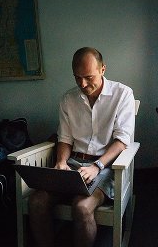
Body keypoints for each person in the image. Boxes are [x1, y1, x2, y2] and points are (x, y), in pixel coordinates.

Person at [27, 47, 136, 247]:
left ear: (103, 69)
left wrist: (97, 167)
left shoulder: (123, 94)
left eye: (88, 77)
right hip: (73, 162)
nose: (83, 84)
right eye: (77, 78)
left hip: (106, 165)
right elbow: (65, 138)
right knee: (37, 201)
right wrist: (60, 162)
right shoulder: (68, 99)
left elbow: (122, 140)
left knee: (81, 207)